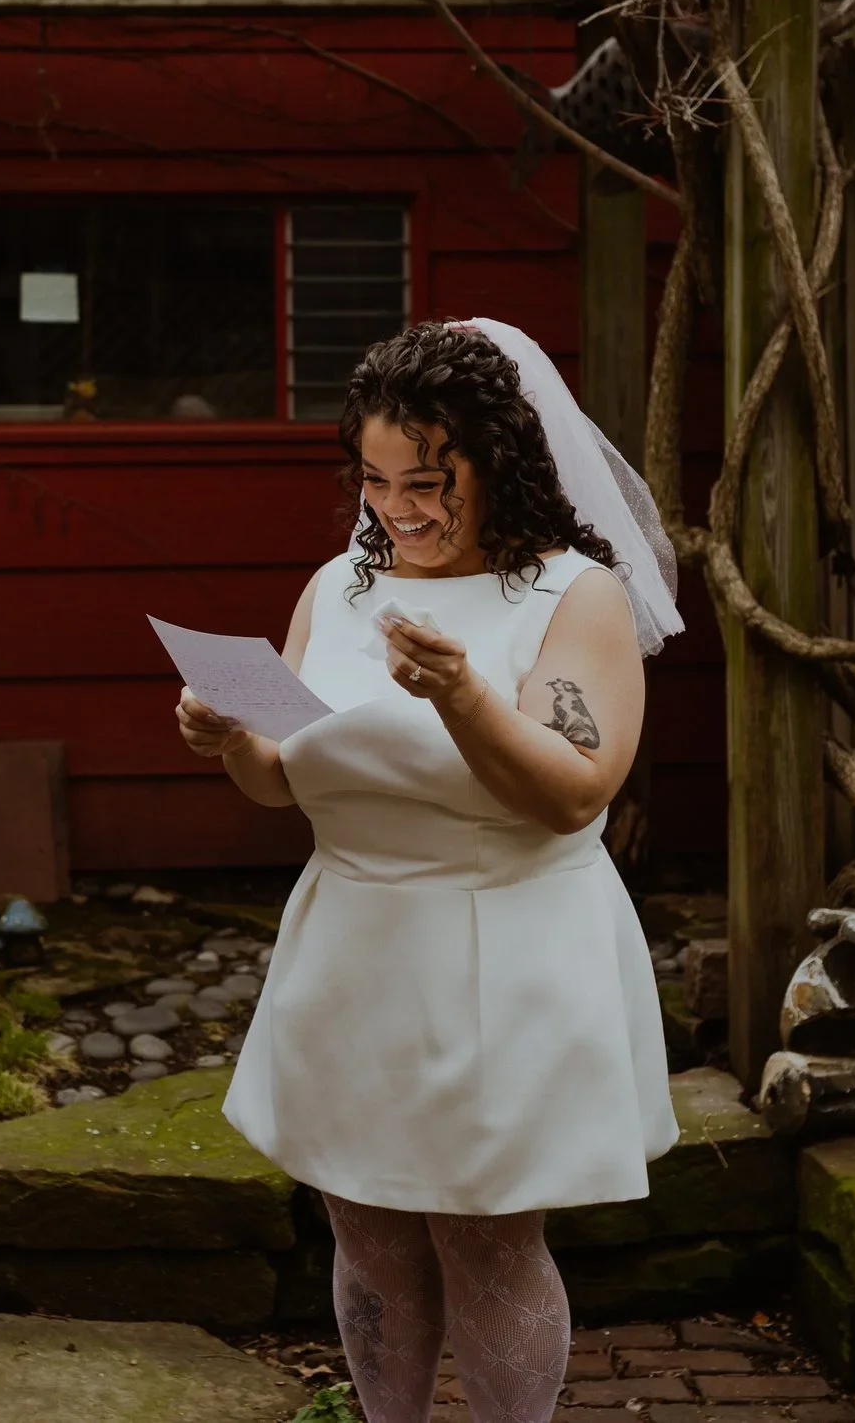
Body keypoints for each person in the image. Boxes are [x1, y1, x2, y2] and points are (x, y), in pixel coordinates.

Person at [179, 319, 685, 1423]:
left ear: (500, 464)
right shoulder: (338, 586)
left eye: (429, 480)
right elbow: (287, 777)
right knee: (361, 1223)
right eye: (374, 479)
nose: (398, 508)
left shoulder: (573, 594)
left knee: (485, 1231)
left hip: (501, 941)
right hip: (351, 941)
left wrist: (460, 694)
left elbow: (573, 790)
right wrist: (230, 741)